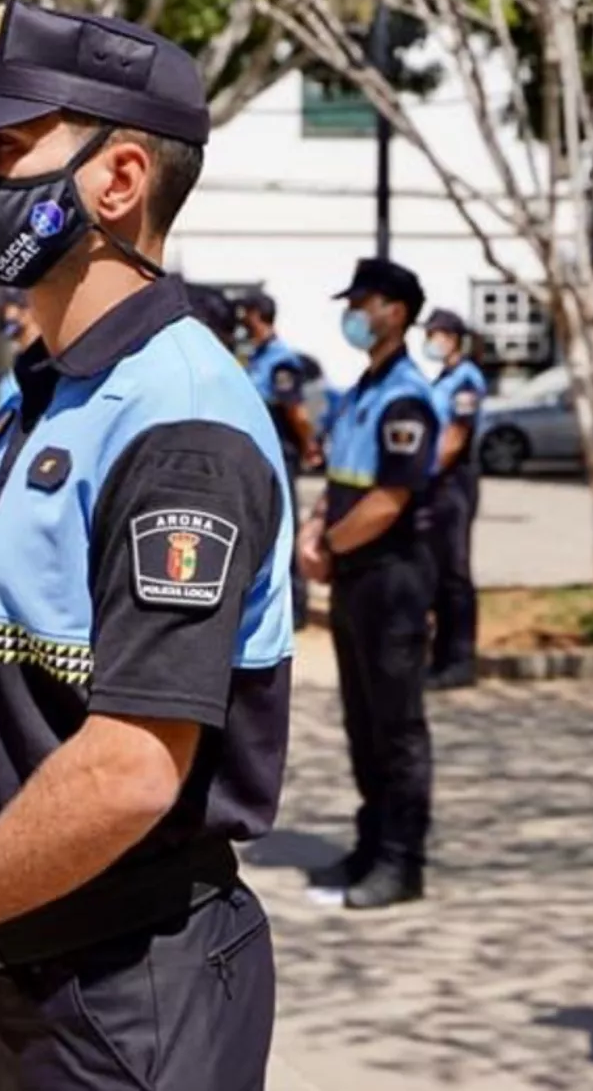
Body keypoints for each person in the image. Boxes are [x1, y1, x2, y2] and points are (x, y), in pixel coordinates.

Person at [0, 0, 291, 1087]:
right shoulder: (43, 395)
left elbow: (131, 768)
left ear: (119, 177)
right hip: (28, 961)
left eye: (6, 147)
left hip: (129, 989)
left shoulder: (176, 422)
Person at [300, 257, 441, 910]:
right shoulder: (363, 390)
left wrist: (329, 546)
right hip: (355, 574)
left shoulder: (408, 395)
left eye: (366, 302)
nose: (354, 313)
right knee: (362, 720)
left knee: (397, 726)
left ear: (398, 312)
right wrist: (315, 530)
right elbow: (341, 483)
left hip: (394, 577)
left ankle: (401, 860)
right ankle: (371, 840)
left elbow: (390, 499)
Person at [239, 291, 322, 631]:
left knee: (285, 526)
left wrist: (308, 445)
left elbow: (297, 412)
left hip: (280, 454)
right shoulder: (257, 357)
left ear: (258, 316)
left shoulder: (281, 360)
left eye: (246, 315)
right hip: (259, 454)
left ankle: (298, 607)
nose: (242, 322)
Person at [421, 307, 487, 691]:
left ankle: (460, 659)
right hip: (436, 483)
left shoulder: (466, 380)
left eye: (436, 333)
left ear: (452, 336)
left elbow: (454, 439)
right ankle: (442, 657)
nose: (431, 339)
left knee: (455, 574)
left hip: (453, 482)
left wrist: (423, 473)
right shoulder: (443, 377)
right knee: (438, 573)